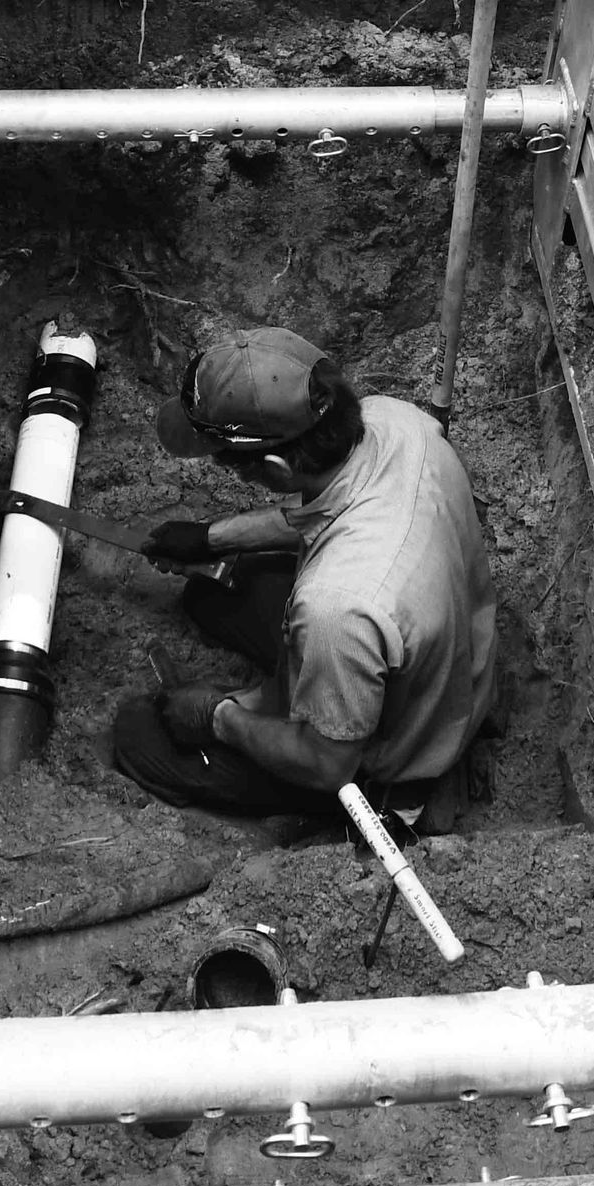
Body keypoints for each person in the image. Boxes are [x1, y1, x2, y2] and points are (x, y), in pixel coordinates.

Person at [112, 324, 498, 819]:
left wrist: (219, 717)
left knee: (139, 732)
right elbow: (331, 510)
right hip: (447, 655)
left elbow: (327, 764)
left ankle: (385, 790)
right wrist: (212, 538)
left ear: (275, 469)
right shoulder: (396, 420)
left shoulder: (336, 609)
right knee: (214, 593)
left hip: (387, 748)